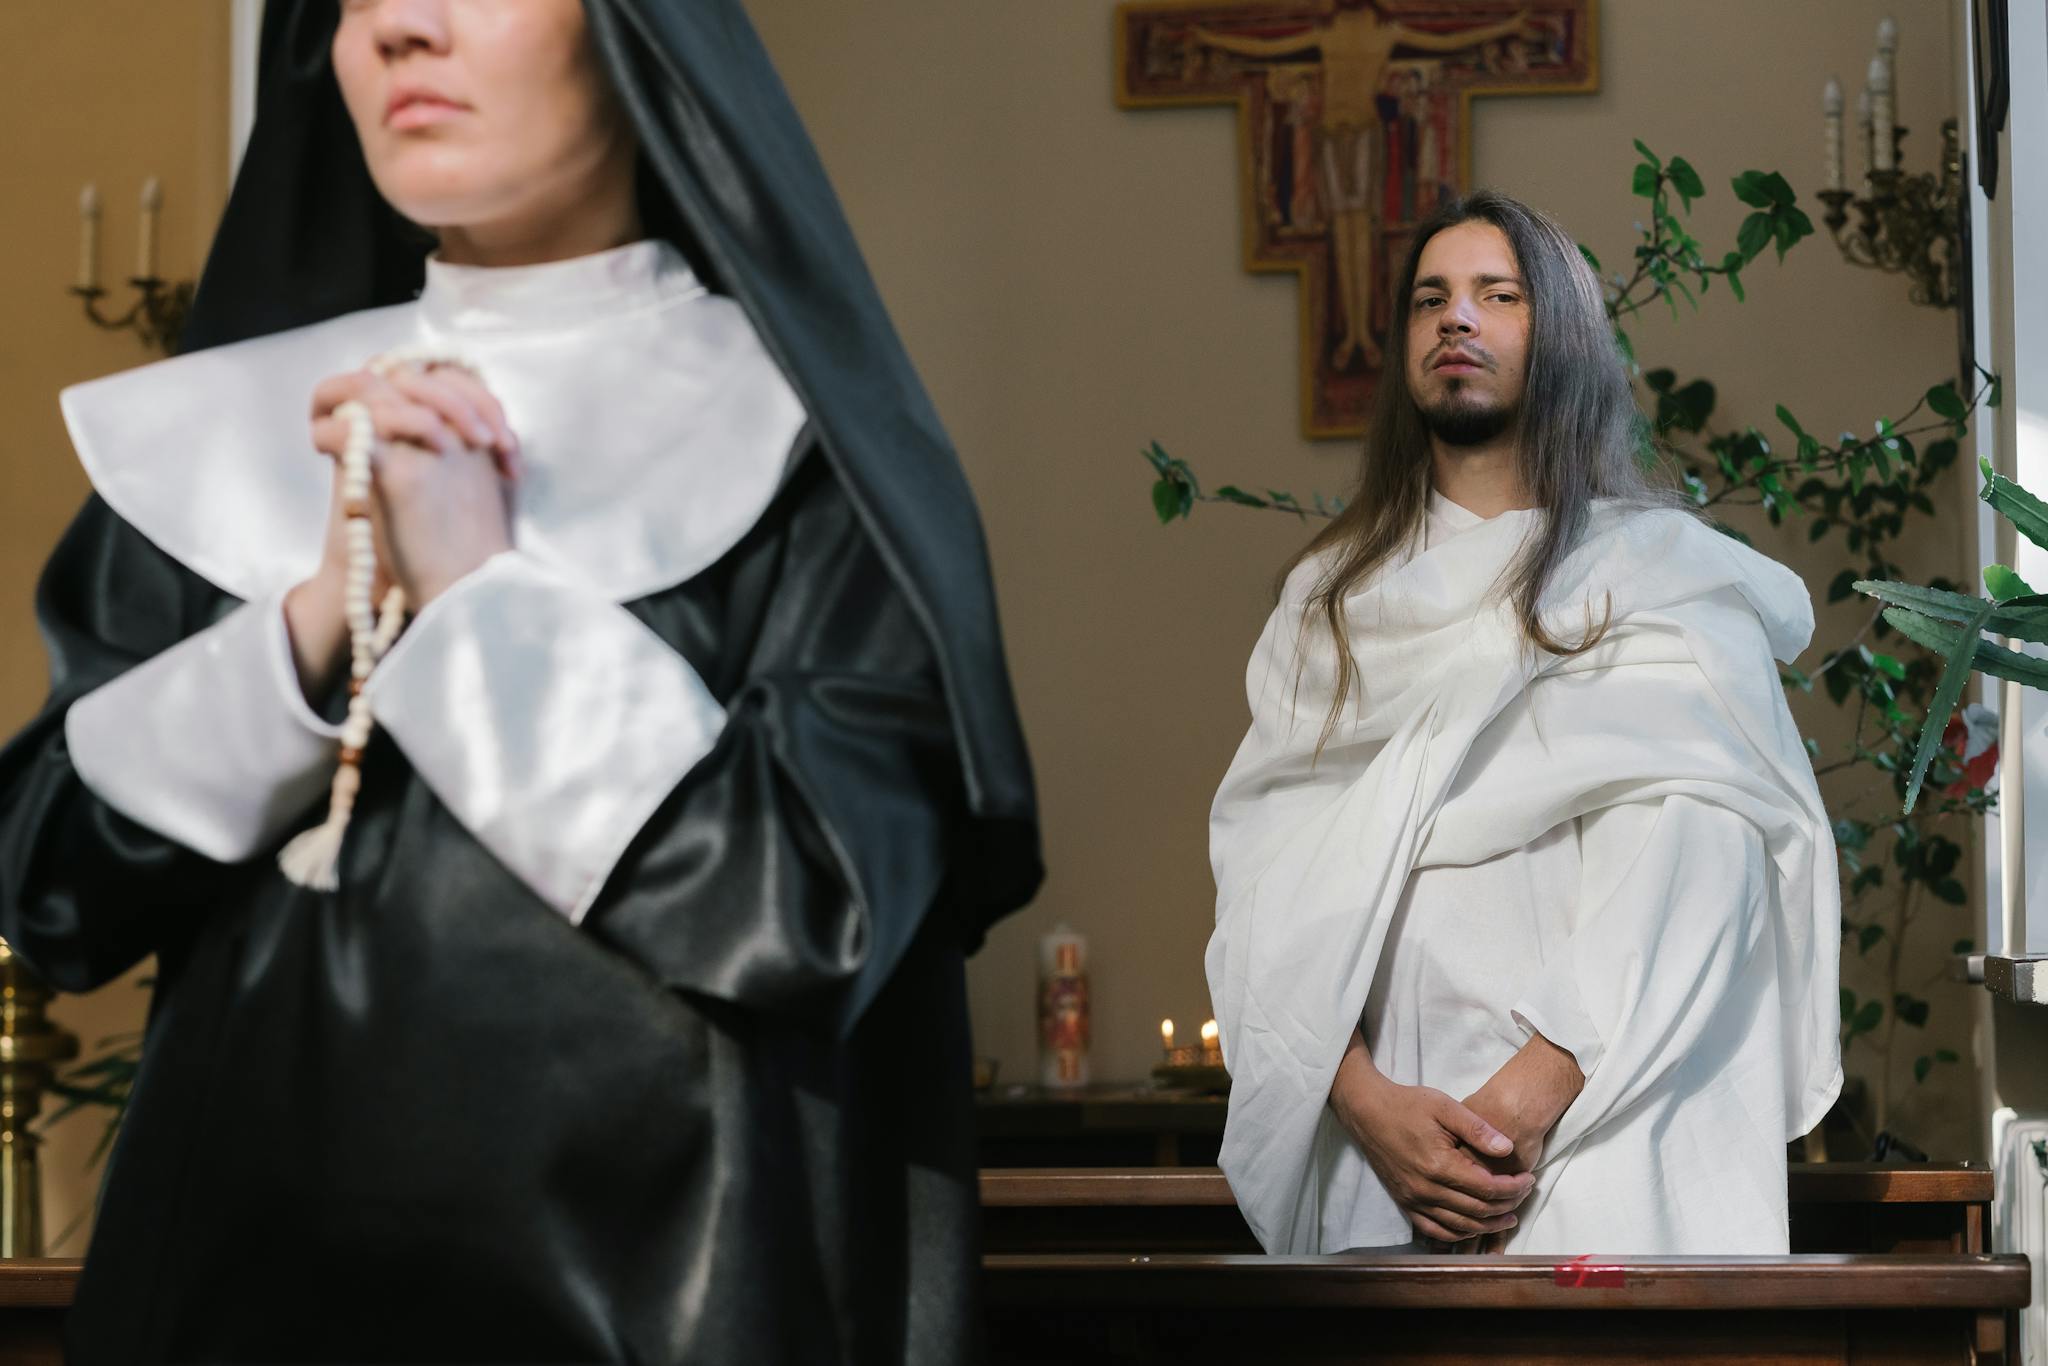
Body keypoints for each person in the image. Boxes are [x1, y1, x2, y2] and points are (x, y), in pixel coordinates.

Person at [0, 0, 1039, 1360]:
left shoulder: (805, 455)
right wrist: (321, 612)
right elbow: (49, 884)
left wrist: (480, 599)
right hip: (246, 1293)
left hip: (676, 1296)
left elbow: (820, 906)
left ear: (640, 31)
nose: (399, 31)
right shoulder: (235, 436)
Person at [1206, 190, 1841, 1256]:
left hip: (1613, 1120)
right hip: (1389, 1156)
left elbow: (1711, 847)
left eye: (1495, 295)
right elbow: (1263, 880)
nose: (1455, 319)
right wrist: (1364, 1102)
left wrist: (1523, 1101)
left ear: (1561, 338)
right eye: (1427, 299)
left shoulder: (1656, 581)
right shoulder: (1328, 604)